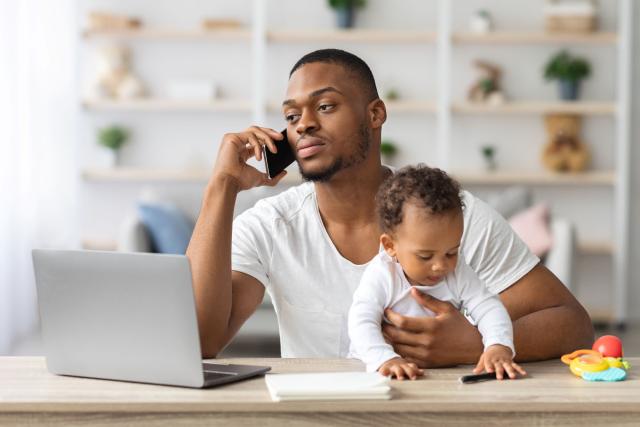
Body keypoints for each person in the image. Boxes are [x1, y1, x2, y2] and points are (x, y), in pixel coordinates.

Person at [186, 48, 593, 365]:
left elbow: (572, 323)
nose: (304, 124)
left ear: (375, 114)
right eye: (292, 116)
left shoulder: (451, 215)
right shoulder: (271, 226)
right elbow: (200, 341)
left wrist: (473, 343)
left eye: (325, 106)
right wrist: (221, 186)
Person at [348, 165, 526, 380]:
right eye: (425, 256)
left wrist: (498, 345)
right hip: (377, 373)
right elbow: (361, 321)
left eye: (452, 252)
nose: (440, 266)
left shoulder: (458, 272)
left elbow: (488, 307)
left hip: (437, 376)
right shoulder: (383, 274)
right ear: (390, 246)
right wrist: (385, 359)